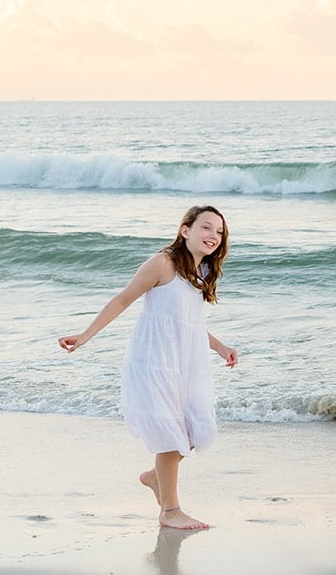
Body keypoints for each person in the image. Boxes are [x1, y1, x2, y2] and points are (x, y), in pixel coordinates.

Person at [58, 205, 238, 531]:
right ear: (185, 230)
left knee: (196, 431)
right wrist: (85, 336)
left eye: (219, 232)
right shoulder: (163, 263)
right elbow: (123, 299)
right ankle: (170, 511)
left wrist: (221, 347)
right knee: (171, 438)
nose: (214, 236)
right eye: (207, 228)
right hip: (153, 363)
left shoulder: (203, 273)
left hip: (184, 365)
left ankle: (157, 477)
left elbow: (190, 324)